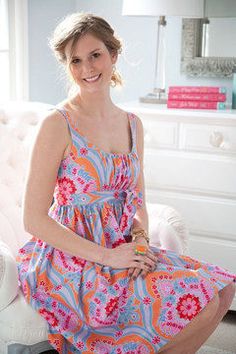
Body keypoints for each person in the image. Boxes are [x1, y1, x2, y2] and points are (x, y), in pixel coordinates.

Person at [16, 12, 235, 354]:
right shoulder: (56, 124)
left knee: (222, 291)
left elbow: (138, 204)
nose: (87, 68)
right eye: (75, 60)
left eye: (95, 55)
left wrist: (141, 243)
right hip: (72, 258)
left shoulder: (133, 124)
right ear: (67, 65)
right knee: (199, 302)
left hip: (121, 247)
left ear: (113, 54)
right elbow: (33, 219)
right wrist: (108, 257)